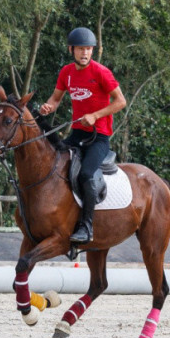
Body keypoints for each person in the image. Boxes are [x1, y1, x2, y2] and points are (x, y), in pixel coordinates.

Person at [39, 27, 127, 244]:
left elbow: (120, 101)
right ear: (72, 50)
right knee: (55, 161)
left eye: (88, 49)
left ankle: (87, 227)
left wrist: (95, 115)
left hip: (99, 137)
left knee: (86, 174)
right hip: (77, 133)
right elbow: (56, 98)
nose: (85, 53)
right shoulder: (66, 73)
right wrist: (48, 107)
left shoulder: (101, 73)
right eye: (80, 49)